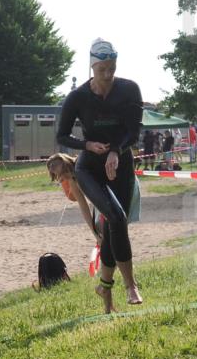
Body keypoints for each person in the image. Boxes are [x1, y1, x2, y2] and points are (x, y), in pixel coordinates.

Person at [56, 38, 143, 312]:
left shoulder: (129, 90)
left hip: (121, 164)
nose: (108, 74)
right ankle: (131, 284)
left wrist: (116, 150)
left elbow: (134, 131)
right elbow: (62, 135)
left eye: (112, 69)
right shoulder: (78, 97)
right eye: (102, 69)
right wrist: (87, 145)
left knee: (116, 227)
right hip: (89, 167)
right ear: (92, 67)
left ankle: (104, 290)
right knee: (115, 218)